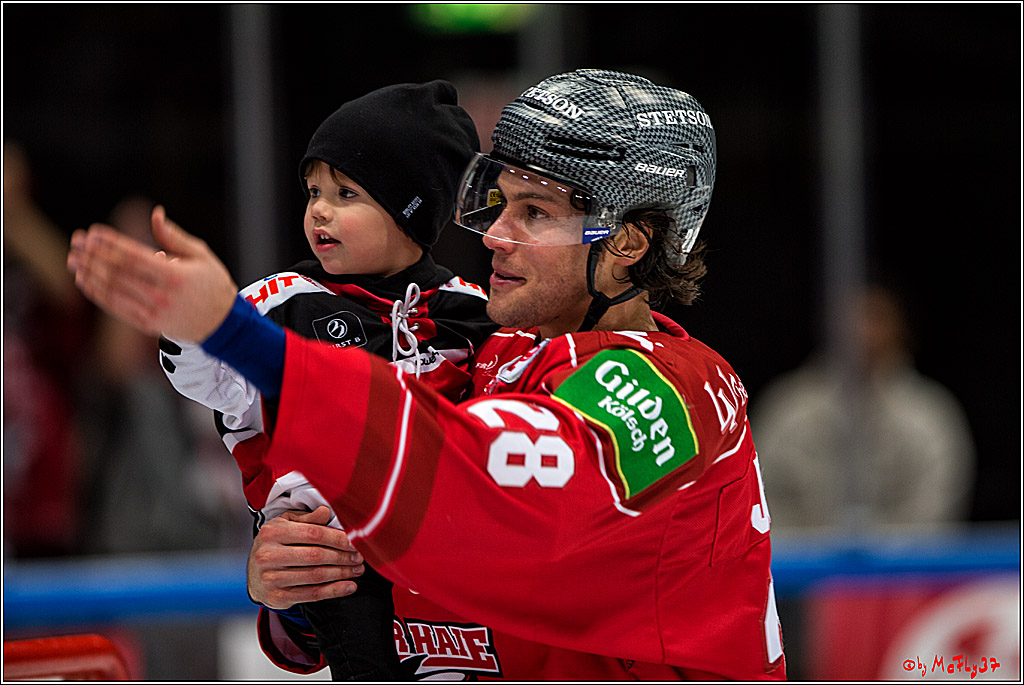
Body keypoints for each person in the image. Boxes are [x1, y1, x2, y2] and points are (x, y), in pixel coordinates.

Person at [68, 68, 787, 680]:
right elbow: (407, 548)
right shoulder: (491, 356)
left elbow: (473, 486)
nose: (496, 234)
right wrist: (296, 585)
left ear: (629, 241)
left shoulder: (678, 390)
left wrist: (235, 333)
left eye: (535, 212)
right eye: (500, 202)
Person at [153, 81, 494, 679]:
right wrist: (189, 321)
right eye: (313, 191)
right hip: (331, 558)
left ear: (412, 210)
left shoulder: (472, 312)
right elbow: (208, 377)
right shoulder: (285, 302)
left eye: (347, 192)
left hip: (448, 564)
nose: (320, 210)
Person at [751, 284, 976, 532]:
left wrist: (880, 562)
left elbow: (936, 504)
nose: (862, 330)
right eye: (850, 318)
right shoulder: (788, 410)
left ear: (899, 327)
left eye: (876, 317)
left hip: (904, 569)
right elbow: (763, 496)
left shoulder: (930, 415)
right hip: (803, 568)